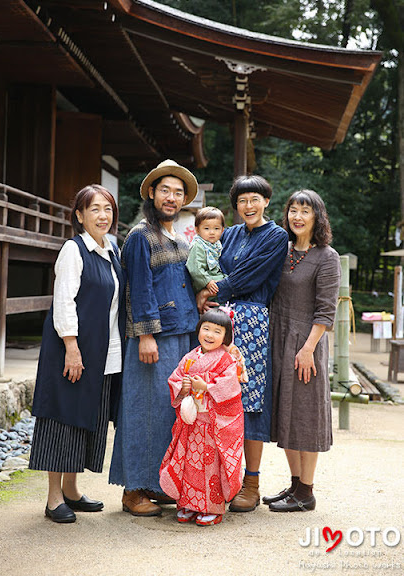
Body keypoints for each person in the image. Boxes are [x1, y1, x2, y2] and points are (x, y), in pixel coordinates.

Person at [109, 159, 200, 516]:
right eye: (165, 190)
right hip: (153, 338)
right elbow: (139, 289)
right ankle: (133, 490)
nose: (172, 198)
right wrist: (145, 335)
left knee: (167, 413)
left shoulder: (180, 237)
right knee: (141, 411)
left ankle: (156, 484)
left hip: (182, 334)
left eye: (178, 193)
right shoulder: (139, 235)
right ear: (151, 192)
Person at [29, 184, 125, 523]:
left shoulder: (111, 250)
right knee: (63, 417)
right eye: (95, 209)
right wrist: (71, 347)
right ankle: (54, 497)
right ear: (80, 215)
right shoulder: (74, 250)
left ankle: (71, 489)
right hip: (72, 349)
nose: (103, 215)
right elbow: (64, 301)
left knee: (88, 418)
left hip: (101, 350)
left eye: (108, 209)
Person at [197, 175, 288, 513]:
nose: (248, 206)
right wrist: (210, 290)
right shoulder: (230, 233)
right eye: (242, 201)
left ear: (266, 201)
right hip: (220, 320)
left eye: (255, 199)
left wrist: (208, 290)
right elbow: (211, 264)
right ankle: (220, 478)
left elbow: (247, 277)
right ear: (235, 205)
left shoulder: (277, 236)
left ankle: (250, 482)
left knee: (248, 399)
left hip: (250, 322)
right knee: (214, 395)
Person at [265, 189, 341, 512]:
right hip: (278, 337)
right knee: (286, 412)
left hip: (306, 342)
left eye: (305, 211)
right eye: (293, 210)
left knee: (306, 415)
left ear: (317, 217)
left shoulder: (327, 257)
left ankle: (307, 492)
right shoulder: (280, 250)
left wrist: (308, 348)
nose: (297, 216)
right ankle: (294, 484)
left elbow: (326, 311)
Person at [159, 308, 244, 526]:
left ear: (226, 337)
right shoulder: (189, 358)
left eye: (217, 331)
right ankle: (188, 503)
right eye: (206, 329)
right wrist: (184, 386)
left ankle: (212, 508)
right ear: (198, 331)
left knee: (211, 466)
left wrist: (206, 386)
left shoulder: (226, 360)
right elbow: (175, 378)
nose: (210, 335)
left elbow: (231, 387)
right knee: (189, 463)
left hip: (214, 423)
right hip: (192, 423)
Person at [186, 206, 226, 296]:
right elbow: (195, 268)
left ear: (222, 230)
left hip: (216, 278)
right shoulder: (198, 245)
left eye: (216, 228)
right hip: (204, 282)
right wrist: (207, 281)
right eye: (206, 228)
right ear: (197, 230)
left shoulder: (217, 244)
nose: (212, 232)